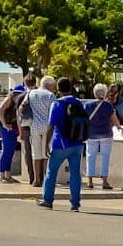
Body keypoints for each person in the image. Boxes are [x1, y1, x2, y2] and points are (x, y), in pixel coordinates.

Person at [38, 77, 86, 212]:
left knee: (51, 172)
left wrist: (46, 144)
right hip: (77, 143)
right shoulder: (78, 103)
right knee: (75, 173)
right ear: (70, 88)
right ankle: (75, 203)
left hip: (61, 143)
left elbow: (51, 126)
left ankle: (48, 200)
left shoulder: (57, 104)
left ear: (58, 89)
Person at [80, 83, 116, 191]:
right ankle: (104, 181)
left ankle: (90, 181)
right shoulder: (108, 105)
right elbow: (114, 119)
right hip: (106, 133)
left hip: (91, 134)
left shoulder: (87, 105)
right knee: (105, 157)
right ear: (105, 93)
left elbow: (83, 119)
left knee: (91, 156)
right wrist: (119, 127)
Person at [25, 76, 57, 189]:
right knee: (45, 155)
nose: (54, 88)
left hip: (34, 126)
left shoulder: (31, 93)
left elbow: (22, 107)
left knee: (36, 155)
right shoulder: (50, 96)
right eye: (53, 86)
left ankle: (36, 179)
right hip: (47, 127)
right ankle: (44, 178)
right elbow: (53, 112)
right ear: (48, 85)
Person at [0, 85, 22, 183]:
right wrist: (4, 124)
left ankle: (8, 174)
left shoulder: (17, 101)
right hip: (6, 129)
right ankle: (1, 175)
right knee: (6, 151)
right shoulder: (9, 99)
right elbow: (0, 111)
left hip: (12, 128)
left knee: (11, 152)